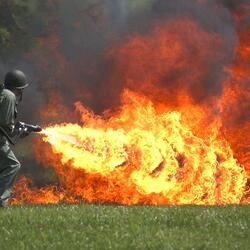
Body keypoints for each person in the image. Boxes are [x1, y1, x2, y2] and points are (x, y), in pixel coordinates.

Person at [0, 70, 29, 207]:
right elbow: (5, 124)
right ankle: (1, 201)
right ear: (19, 88)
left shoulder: (3, 93)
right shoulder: (10, 96)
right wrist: (17, 130)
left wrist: (18, 130)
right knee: (13, 165)